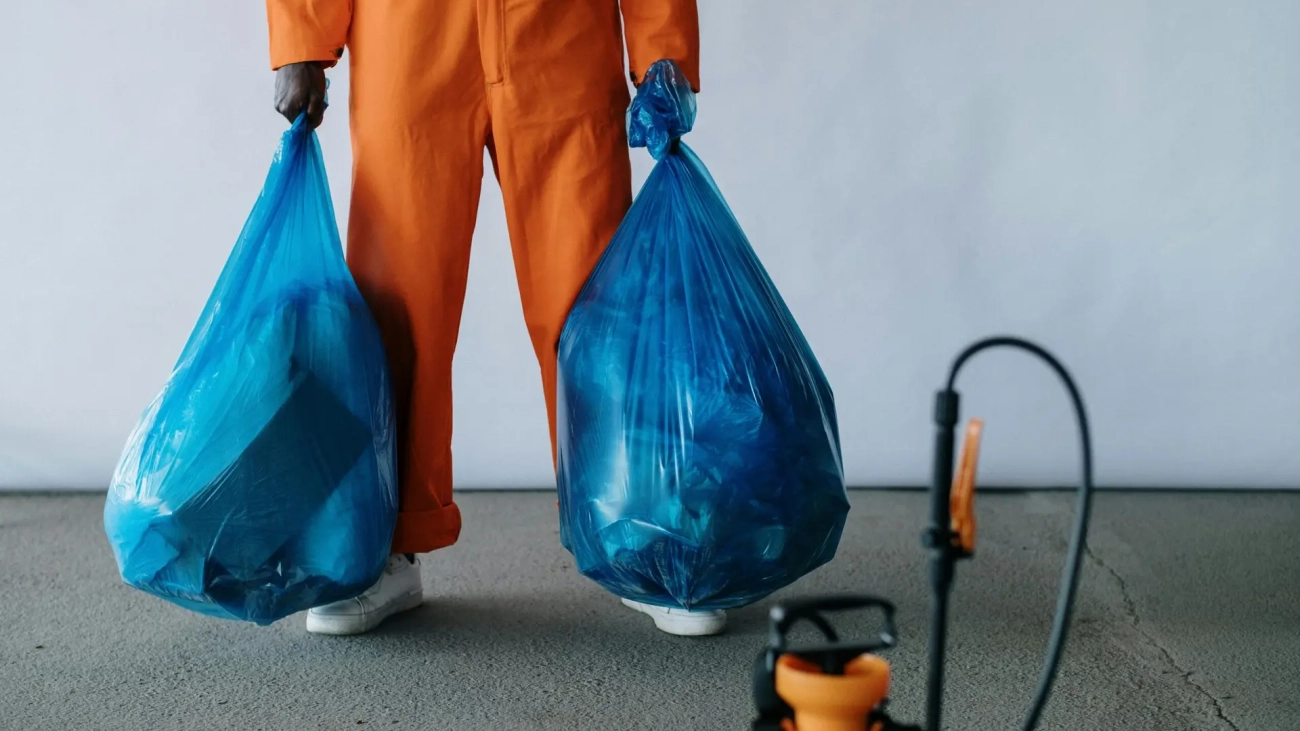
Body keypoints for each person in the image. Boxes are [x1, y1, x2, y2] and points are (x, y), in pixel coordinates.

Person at [266, 0, 724, 637]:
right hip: (410, 37)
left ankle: (643, 534)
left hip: (560, 34)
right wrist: (298, 39)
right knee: (398, 303)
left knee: (594, 304)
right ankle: (384, 543)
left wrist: (662, 44)